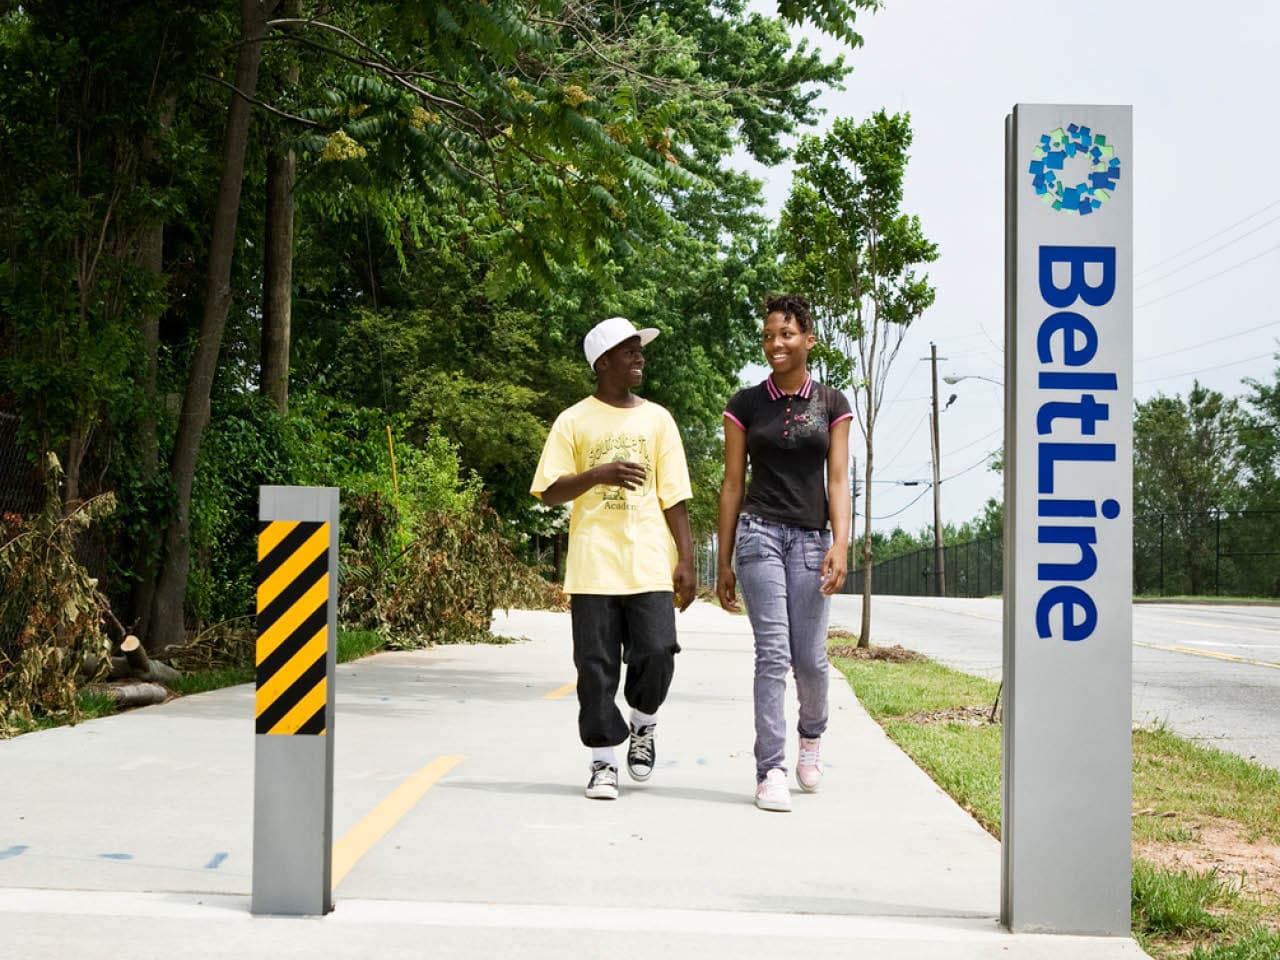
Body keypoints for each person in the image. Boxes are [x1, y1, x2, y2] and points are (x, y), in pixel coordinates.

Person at [531, 316, 696, 801]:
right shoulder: (573, 420)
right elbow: (549, 492)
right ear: (603, 363)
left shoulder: (658, 419)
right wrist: (597, 474)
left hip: (648, 558)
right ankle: (603, 761)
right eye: (630, 351)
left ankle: (643, 723)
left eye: (640, 350)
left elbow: (675, 495)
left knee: (658, 651)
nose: (640, 357)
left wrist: (686, 560)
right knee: (596, 666)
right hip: (594, 562)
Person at [716, 293, 852, 812]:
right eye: (769, 335)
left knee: (811, 661)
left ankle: (811, 734)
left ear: (808, 340)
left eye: (787, 335)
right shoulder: (747, 404)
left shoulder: (832, 405)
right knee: (772, 653)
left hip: (813, 539)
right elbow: (732, 484)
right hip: (759, 534)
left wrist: (841, 542)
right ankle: (769, 768)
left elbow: (837, 480)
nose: (776, 343)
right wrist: (725, 559)